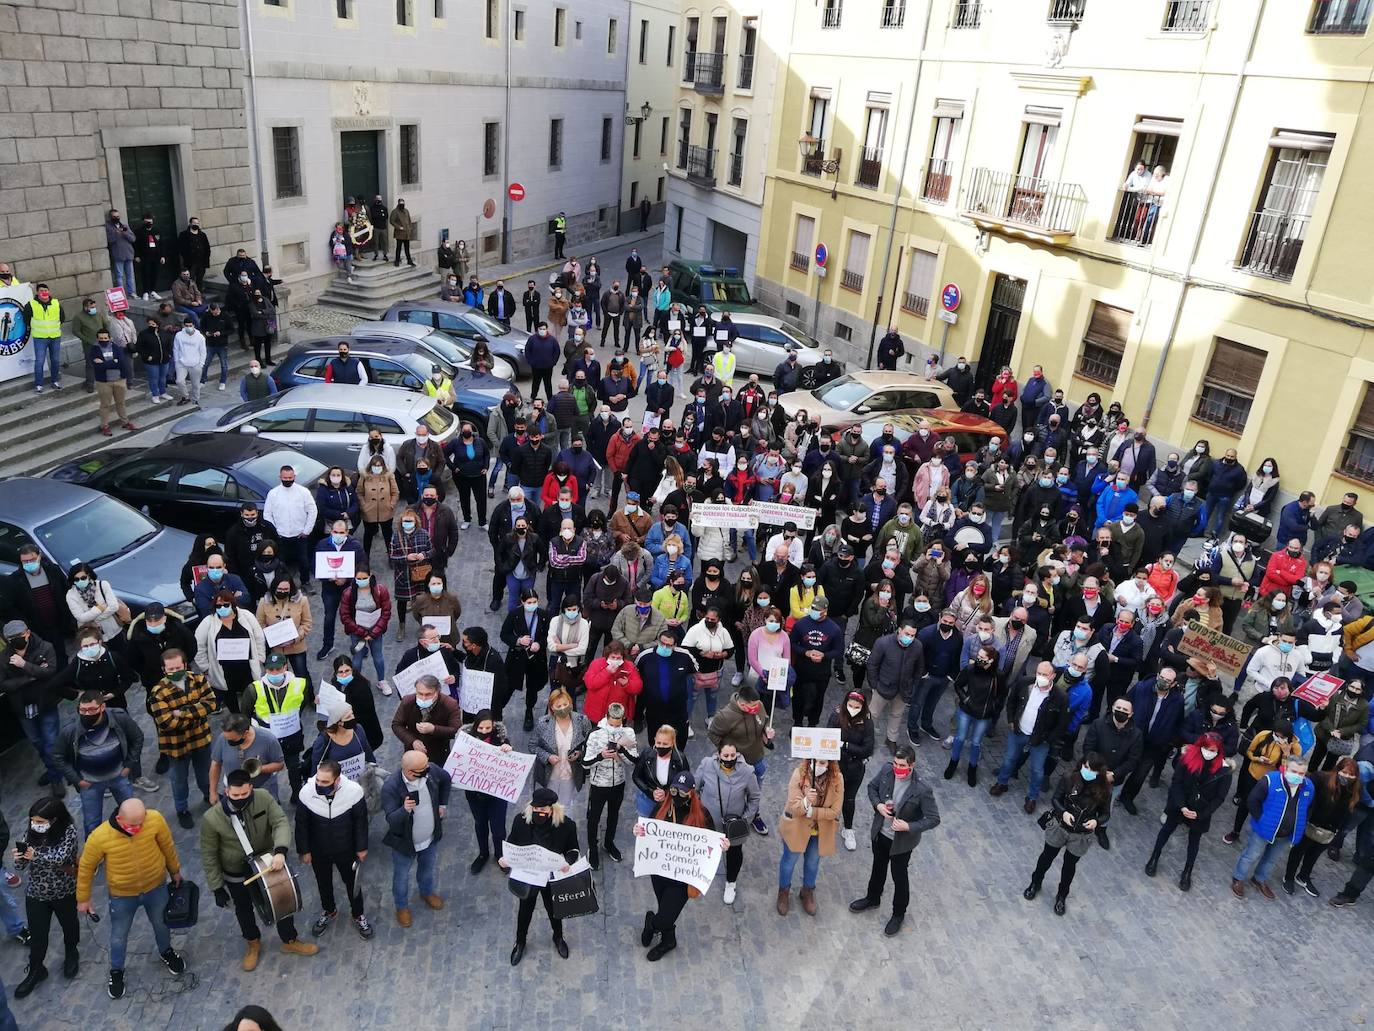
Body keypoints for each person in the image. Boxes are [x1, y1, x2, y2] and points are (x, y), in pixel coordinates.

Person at [202, 770, 318, 970]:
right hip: (236, 873)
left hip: (267, 862)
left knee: (282, 900)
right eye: (235, 795)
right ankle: (253, 943)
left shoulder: (263, 798)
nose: (240, 799)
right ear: (226, 791)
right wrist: (216, 887)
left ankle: (290, 940)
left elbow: (280, 822)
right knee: (244, 909)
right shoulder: (212, 818)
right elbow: (209, 854)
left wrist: (280, 850)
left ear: (251, 789)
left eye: (244, 795)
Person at [75, 799, 186, 1000]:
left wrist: (175, 871)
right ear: (119, 818)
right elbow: (85, 868)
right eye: (132, 825)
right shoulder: (100, 837)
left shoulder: (155, 820)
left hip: (156, 887)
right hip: (122, 895)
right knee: (119, 936)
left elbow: (167, 846)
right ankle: (116, 971)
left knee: (162, 924)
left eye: (141, 823)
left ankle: (166, 951)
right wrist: (83, 899)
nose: (137, 828)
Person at [848, 744, 940, 936]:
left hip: (901, 843)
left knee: (899, 876)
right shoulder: (886, 770)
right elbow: (872, 787)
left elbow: (933, 819)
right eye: (896, 763)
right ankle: (873, 898)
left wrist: (909, 827)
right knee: (877, 867)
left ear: (911, 765)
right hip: (881, 833)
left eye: (902, 765)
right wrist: (878, 805)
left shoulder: (922, 789)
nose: (897, 768)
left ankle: (898, 913)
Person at [1022, 754, 1111, 916]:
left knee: (1069, 867)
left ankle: (1062, 896)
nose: (1087, 771)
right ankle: (1036, 882)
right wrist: (1063, 812)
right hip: (1061, 827)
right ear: (1081, 765)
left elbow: (1106, 813)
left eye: (1092, 769)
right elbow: (1056, 799)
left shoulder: (1104, 789)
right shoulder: (1069, 778)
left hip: (1081, 834)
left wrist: (1096, 822)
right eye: (1086, 767)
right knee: (1046, 857)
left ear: (1099, 772)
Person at [295, 757, 373, 940]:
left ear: (337, 780)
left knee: (353, 883)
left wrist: (362, 847)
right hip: (318, 849)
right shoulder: (306, 792)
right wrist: (304, 850)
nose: (319, 784)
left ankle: (358, 914)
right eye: (318, 780)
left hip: (346, 848)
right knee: (323, 882)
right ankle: (329, 910)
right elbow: (301, 824)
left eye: (325, 782)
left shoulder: (353, 791)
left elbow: (361, 822)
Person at [1143, 731, 1230, 892]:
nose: (1209, 753)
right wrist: (1181, 806)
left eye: (1213, 750)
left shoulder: (1224, 771)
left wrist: (1201, 814)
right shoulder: (1187, 759)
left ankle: (1187, 870)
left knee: (1194, 840)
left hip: (1201, 810)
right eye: (1206, 748)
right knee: (1166, 829)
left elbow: (1219, 798)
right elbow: (1176, 783)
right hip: (1180, 804)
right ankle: (1154, 856)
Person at [502, 785, 579, 966]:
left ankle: (558, 937)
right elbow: (512, 844)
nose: (538, 812)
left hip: (551, 876)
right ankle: (520, 942)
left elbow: (573, 849)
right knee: (524, 911)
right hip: (528, 876)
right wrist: (506, 860)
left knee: (554, 910)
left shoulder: (566, 825)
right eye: (535, 809)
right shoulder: (520, 821)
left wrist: (567, 862)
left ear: (552, 808)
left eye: (542, 809)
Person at [53, 691, 145, 838]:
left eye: (91, 710)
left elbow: (137, 738)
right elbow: (58, 756)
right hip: (90, 783)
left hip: (119, 776)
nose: (86, 714)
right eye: (82, 710)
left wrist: (129, 765)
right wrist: (77, 780)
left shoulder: (118, 718)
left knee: (131, 813)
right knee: (92, 823)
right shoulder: (70, 731)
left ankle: (136, 840)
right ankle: (94, 853)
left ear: (102, 707)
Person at [11, 798, 79, 997]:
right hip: (36, 893)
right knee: (38, 935)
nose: (35, 825)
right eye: (33, 821)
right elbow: (21, 867)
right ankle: (35, 969)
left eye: (40, 822)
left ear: (54, 819)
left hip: (63, 890)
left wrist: (36, 856)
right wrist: (19, 859)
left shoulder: (68, 831)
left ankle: (71, 954)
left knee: (69, 925)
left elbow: (61, 857)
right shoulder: (30, 835)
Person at [382, 750, 451, 927]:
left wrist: (442, 804)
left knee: (427, 869)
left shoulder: (431, 771)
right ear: (410, 771)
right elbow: (391, 819)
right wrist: (404, 810)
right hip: (405, 844)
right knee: (401, 877)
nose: (428, 768)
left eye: (427, 764)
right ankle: (401, 907)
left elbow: (446, 779)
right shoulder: (391, 787)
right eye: (423, 768)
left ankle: (427, 892)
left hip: (430, 837)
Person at [991, 661, 1071, 814]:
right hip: (1018, 732)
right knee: (1009, 760)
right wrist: (1010, 721)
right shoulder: (1024, 683)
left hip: (1040, 740)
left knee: (1037, 770)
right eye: (1039, 673)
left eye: (1044, 674)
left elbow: (1062, 725)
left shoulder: (1060, 697)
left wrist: (1048, 739)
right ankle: (1002, 783)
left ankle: (1032, 797)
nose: (1040, 677)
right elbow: (1011, 702)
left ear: (1053, 676)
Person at [147, 649, 215, 829]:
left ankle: (210, 796)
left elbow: (211, 704)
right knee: (179, 780)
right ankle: (182, 809)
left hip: (201, 740)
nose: (175, 671)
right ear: (164, 670)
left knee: (206, 773)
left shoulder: (199, 680)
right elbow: (167, 723)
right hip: (176, 746)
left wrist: (182, 713)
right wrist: (196, 715)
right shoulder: (158, 692)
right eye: (170, 669)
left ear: (185, 665)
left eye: (178, 667)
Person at [1231, 754, 1314, 899]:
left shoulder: (1308, 787)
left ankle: (1259, 879)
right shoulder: (1270, 780)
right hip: (1263, 830)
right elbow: (1252, 801)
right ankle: (1238, 878)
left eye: (1301, 773)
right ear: (1286, 768)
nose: (1298, 776)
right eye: (1294, 772)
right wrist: (1262, 820)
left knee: (1271, 860)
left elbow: (1308, 808)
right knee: (1251, 855)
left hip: (1286, 834)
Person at [1282, 756, 1358, 898]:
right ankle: (1289, 877)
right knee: (1299, 851)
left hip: (1329, 830)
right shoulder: (1320, 779)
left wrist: (1338, 831)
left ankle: (1303, 876)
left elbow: (1348, 813)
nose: (1347, 776)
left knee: (1314, 854)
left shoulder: (1352, 790)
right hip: (1311, 824)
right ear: (1338, 770)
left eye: (1351, 774)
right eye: (1345, 772)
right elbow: (1306, 798)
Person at [776, 756, 843, 917]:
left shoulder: (837, 779)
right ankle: (783, 892)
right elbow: (794, 806)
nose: (819, 765)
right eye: (816, 762)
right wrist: (806, 802)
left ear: (829, 764)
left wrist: (814, 812)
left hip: (819, 830)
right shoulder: (799, 775)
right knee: (789, 861)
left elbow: (835, 811)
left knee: (813, 862)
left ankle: (807, 891)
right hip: (798, 828)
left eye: (823, 762)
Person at [239, 651, 308, 800]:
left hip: (291, 735)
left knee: (294, 766)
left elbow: (304, 703)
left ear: (285, 667)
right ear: (266, 670)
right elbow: (245, 713)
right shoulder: (254, 689)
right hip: (266, 739)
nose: (275, 673)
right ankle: (271, 800)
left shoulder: (300, 684)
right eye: (271, 670)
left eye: (278, 669)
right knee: (267, 772)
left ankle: (297, 794)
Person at [581, 702, 639, 869]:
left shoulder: (629, 733)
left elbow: (634, 760)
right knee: (593, 818)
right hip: (598, 785)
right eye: (612, 723)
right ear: (606, 717)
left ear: (623, 719)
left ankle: (609, 843)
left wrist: (621, 750)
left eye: (618, 723)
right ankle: (592, 849)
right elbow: (585, 763)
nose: (615, 727)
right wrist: (601, 756)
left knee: (614, 815)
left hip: (618, 783)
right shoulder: (595, 734)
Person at [945, 644, 1008, 787]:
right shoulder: (970, 669)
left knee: (976, 743)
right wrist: (965, 699)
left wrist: (994, 707)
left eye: (982, 657)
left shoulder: (998, 675)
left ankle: (972, 768)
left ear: (991, 660)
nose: (978, 659)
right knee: (960, 738)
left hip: (984, 715)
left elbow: (1002, 694)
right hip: (967, 710)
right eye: (978, 656)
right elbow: (958, 685)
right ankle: (953, 762)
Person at [533, 687, 593, 809]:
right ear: (552, 708)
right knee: (549, 805)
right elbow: (533, 745)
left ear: (570, 703)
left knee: (566, 807)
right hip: (550, 774)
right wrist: (547, 756)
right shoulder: (543, 723)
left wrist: (580, 753)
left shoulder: (582, 721)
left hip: (570, 773)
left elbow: (590, 744)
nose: (562, 708)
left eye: (565, 704)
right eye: (558, 706)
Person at [636, 631, 696, 745]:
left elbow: (695, 669)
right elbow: (636, 671)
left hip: (678, 711)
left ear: (675, 645)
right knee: (654, 740)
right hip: (654, 711)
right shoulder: (645, 656)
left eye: (669, 645)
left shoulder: (684, 656)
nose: (664, 647)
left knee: (679, 741)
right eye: (662, 643)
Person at [392, 674, 461, 767]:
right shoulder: (407, 701)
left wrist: (434, 729)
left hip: (438, 753)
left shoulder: (450, 704)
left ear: (437, 692)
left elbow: (456, 731)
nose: (423, 698)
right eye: (420, 694)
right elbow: (397, 724)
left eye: (428, 694)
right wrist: (412, 741)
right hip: (413, 752)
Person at [88, 328, 137, 435]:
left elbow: (121, 363)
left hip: (120, 380)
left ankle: (125, 422)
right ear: (97, 338)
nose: (103, 340)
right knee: (105, 405)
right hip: (104, 382)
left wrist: (104, 363)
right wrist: (112, 362)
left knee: (121, 403)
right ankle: (104, 426)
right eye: (101, 338)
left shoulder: (116, 347)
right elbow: (97, 366)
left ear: (110, 338)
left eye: (105, 338)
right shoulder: (94, 349)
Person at [390, 198, 416, 266]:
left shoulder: (406, 211)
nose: (402, 205)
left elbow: (409, 220)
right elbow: (392, 221)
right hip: (400, 233)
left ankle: (409, 260)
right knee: (398, 248)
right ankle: (397, 261)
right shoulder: (395, 212)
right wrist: (399, 227)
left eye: (403, 204)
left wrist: (410, 228)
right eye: (401, 204)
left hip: (406, 233)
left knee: (407, 248)